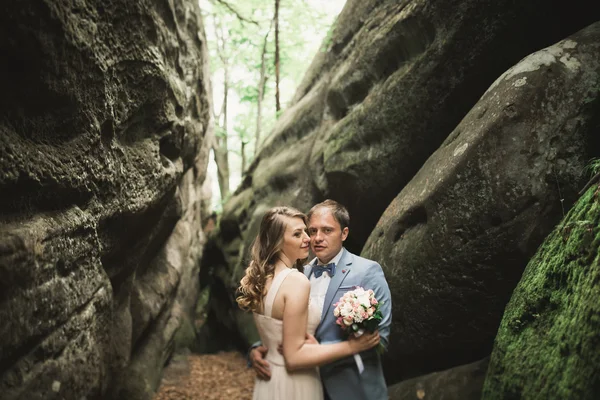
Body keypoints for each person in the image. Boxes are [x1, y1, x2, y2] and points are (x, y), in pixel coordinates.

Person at [249, 200, 392, 400]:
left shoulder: (368, 271)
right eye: (312, 230)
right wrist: (260, 348)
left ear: (344, 233)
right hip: (302, 383)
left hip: (351, 388)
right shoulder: (299, 274)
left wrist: (317, 350)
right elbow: (289, 323)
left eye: (327, 230)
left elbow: (380, 339)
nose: (317, 238)